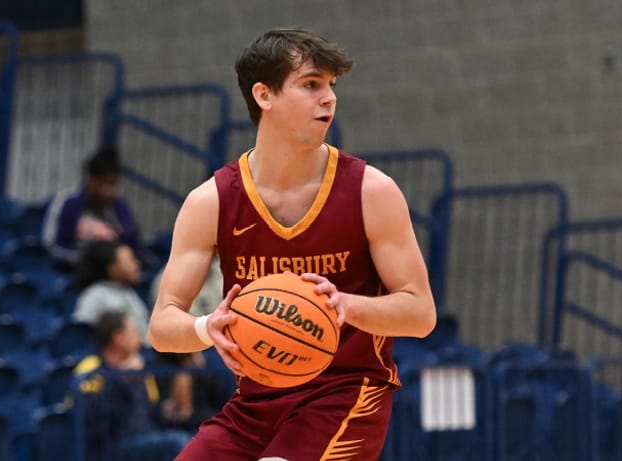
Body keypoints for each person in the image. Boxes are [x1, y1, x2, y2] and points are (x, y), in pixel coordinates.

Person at [148, 27, 436, 461]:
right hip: (254, 403)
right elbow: (161, 328)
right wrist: (208, 327)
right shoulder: (211, 201)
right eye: (311, 84)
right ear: (264, 95)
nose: (329, 98)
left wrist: (346, 306)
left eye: (331, 86)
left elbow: (420, 314)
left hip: (347, 394)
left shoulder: (370, 191)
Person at [75, 311, 190, 461]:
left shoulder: (138, 368)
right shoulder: (91, 369)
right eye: (133, 331)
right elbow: (96, 419)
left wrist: (165, 411)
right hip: (116, 445)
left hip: (146, 438)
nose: (139, 338)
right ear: (118, 338)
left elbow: (147, 412)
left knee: (202, 437)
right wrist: (125, 379)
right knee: (177, 443)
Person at [42, 146, 145, 265]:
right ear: (91, 180)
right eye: (105, 184)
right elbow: (52, 246)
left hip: (113, 273)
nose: (109, 192)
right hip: (74, 270)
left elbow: (135, 246)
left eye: (113, 186)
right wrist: (88, 261)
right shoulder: (68, 203)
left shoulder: (119, 207)